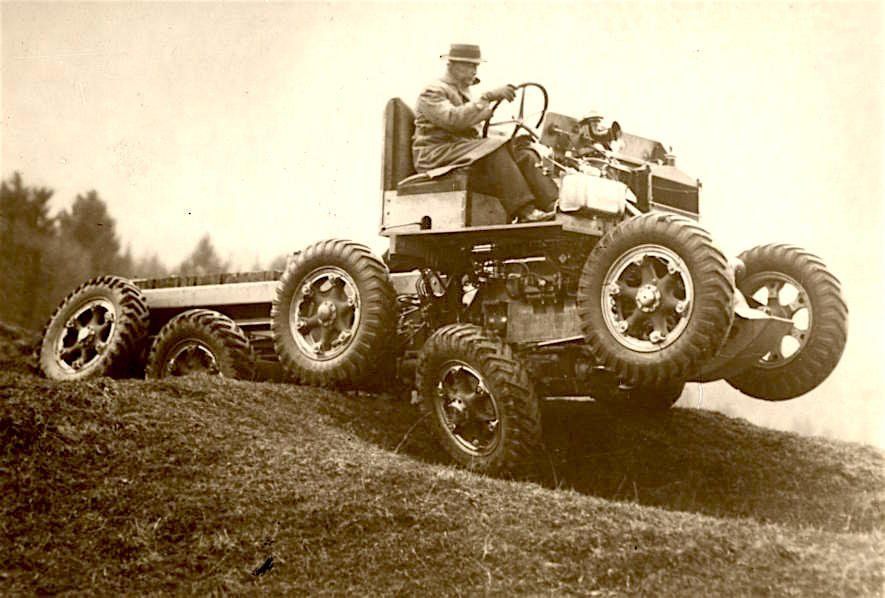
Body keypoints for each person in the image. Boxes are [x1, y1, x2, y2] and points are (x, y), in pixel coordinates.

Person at [412, 43, 557, 223]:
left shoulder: (464, 93)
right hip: (437, 153)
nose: (475, 70)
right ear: (452, 64)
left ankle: (553, 204)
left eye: (476, 66)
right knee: (495, 148)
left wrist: (513, 138)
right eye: (470, 65)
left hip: (460, 150)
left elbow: (476, 130)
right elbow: (453, 120)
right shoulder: (432, 92)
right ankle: (525, 211)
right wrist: (487, 97)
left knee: (523, 152)